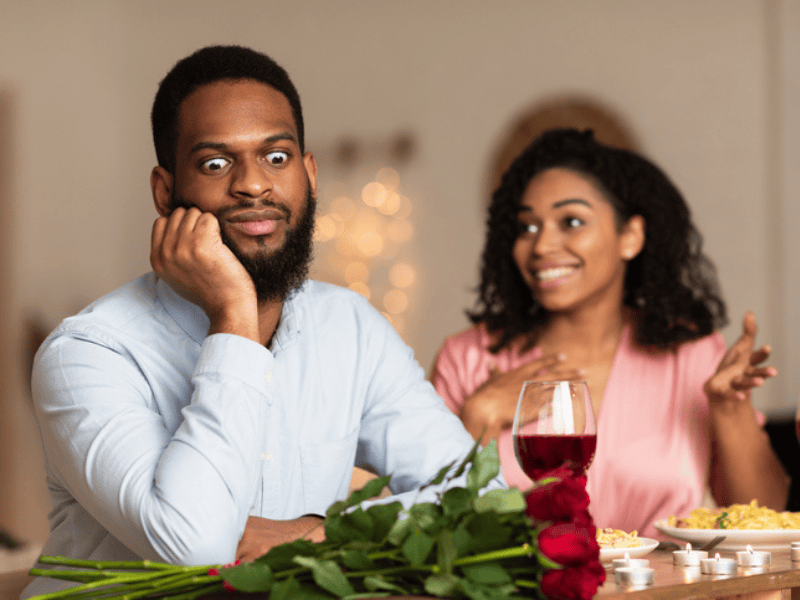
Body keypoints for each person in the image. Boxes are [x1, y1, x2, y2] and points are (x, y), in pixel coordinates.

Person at [25, 45, 500, 596]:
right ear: (164, 192)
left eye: (276, 157)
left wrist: (319, 533)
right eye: (215, 163)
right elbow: (196, 547)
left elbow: (477, 499)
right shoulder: (87, 354)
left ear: (310, 175)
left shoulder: (350, 329)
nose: (253, 184)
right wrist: (233, 312)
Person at [431, 128, 789, 538]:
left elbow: (768, 514)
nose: (542, 244)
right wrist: (479, 416)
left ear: (630, 237)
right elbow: (427, 528)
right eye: (527, 228)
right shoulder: (468, 359)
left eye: (571, 221)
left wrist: (730, 410)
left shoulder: (689, 355)